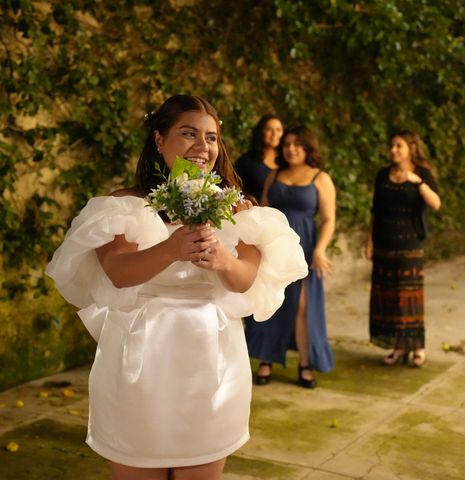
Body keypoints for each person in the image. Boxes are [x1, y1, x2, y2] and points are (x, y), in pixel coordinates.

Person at [45, 95, 308, 480]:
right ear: (158, 139)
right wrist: (171, 249)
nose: (203, 147)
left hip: (212, 361)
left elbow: (246, 278)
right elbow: (117, 271)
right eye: (189, 134)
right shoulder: (123, 205)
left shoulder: (237, 209)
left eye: (212, 137)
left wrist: (223, 260)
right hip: (138, 362)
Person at [245, 126, 336, 388]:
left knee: (302, 307)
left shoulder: (320, 177)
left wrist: (320, 250)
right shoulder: (275, 174)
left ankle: (306, 363)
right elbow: (264, 209)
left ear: (308, 148)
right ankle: (266, 359)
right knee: (271, 299)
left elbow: (329, 219)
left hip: (306, 247)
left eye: (297, 144)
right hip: (274, 245)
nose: (291, 148)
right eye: (287, 144)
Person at [365, 130, 441, 368]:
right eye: (392, 146)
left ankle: (418, 347)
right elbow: (375, 211)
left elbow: (436, 204)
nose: (393, 150)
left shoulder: (422, 174)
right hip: (385, 243)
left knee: (409, 298)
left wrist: (417, 182)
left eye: (399, 146)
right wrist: (370, 241)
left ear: (411, 148)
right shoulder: (382, 175)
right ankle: (399, 347)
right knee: (389, 297)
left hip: (410, 245)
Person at [233, 115, 283, 202]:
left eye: (278, 130)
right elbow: (234, 189)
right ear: (261, 132)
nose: (274, 134)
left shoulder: (287, 161)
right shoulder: (247, 161)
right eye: (269, 129)